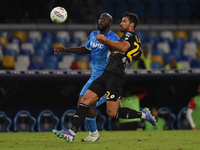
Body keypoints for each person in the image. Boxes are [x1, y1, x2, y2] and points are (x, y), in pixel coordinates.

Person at [53, 12, 157, 143]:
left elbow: (124, 47)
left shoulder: (128, 35)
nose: (121, 23)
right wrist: (131, 55)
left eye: (124, 21)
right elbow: (139, 55)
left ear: (131, 25)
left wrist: (106, 40)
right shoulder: (129, 38)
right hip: (107, 73)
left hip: (115, 75)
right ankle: (71, 132)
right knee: (85, 101)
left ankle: (143, 114)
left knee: (112, 113)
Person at [53, 13, 119, 142]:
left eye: (105, 20)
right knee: (81, 104)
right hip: (94, 77)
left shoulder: (114, 37)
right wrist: (66, 50)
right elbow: (86, 49)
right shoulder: (93, 34)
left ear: (110, 24)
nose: (101, 21)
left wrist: (106, 42)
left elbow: (117, 52)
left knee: (87, 104)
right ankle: (93, 134)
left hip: (105, 79)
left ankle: (72, 132)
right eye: (100, 19)